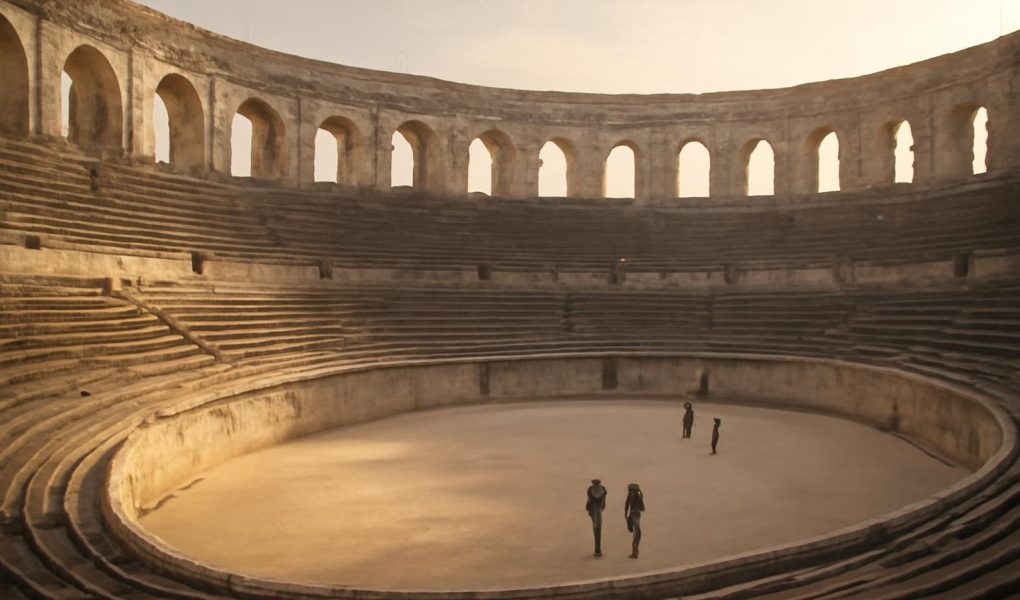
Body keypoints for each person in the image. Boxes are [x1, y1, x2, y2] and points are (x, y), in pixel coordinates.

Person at [586, 479, 607, 557]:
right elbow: (604, 501)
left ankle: (597, 550)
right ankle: (598, 550)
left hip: (594, 509)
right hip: (598, 509)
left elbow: (589, 500)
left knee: (596, 528)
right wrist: (602, 505)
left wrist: (588, 507)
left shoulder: (590, 489)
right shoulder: (602, 489)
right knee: (598, 528)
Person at [624, 483, 645, 559]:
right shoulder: (637, 493)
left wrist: (625, 514)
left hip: (634, 513)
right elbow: (627, 504)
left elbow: (627, 504)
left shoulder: (633, 494)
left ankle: (635, 552)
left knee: (636, 530)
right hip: (636, 513)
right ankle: (635, 551)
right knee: (636, 530)